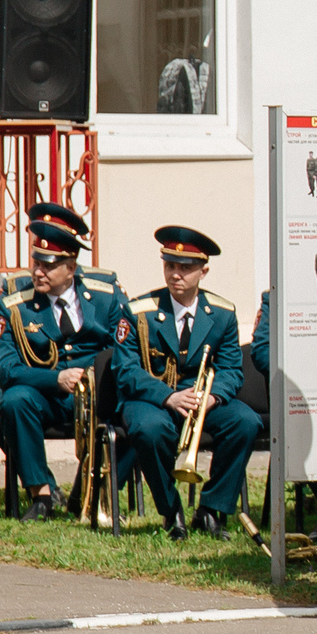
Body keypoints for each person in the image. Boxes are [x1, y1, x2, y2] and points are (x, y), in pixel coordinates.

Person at [112, 227, 256, 540]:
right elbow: (126, 370)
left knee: (245, 421)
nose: (176, 274)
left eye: (186, 268)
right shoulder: (138, 311)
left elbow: (232, 368)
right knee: (149, 430)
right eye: (170, 266)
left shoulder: (222, 313)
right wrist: (168, 397)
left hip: (199, 397)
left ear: (204, 271)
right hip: (151, 397)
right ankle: (171, 510)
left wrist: (212, 398)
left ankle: (211, 508)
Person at [0, 216, 129, 520]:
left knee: (138, 410)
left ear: (70, 268)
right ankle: (42, 495)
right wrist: (56, 378)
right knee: (15, 400)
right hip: (46, 397)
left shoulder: (106, 299)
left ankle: (91, 491)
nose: (38, 271)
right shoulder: (15, 306)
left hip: (95, 396)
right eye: (36, 262)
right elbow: (6, 369)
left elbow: (124, 350)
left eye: (48, 265)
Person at [249, 291, 317, 542]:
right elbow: (262, 350)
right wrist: (302, 369)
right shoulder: (276, 296)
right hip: (305, 393)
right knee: (301, 423)